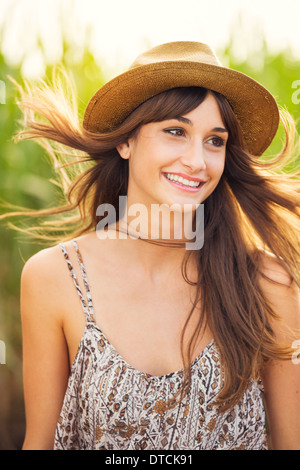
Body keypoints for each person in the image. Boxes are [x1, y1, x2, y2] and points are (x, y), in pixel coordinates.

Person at [2, 41, 300, 450]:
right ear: (126, 142)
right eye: (176, 132)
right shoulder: (56, 277)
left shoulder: (267, 282)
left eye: (215, 140)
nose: (198, 160)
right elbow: (41, 442)